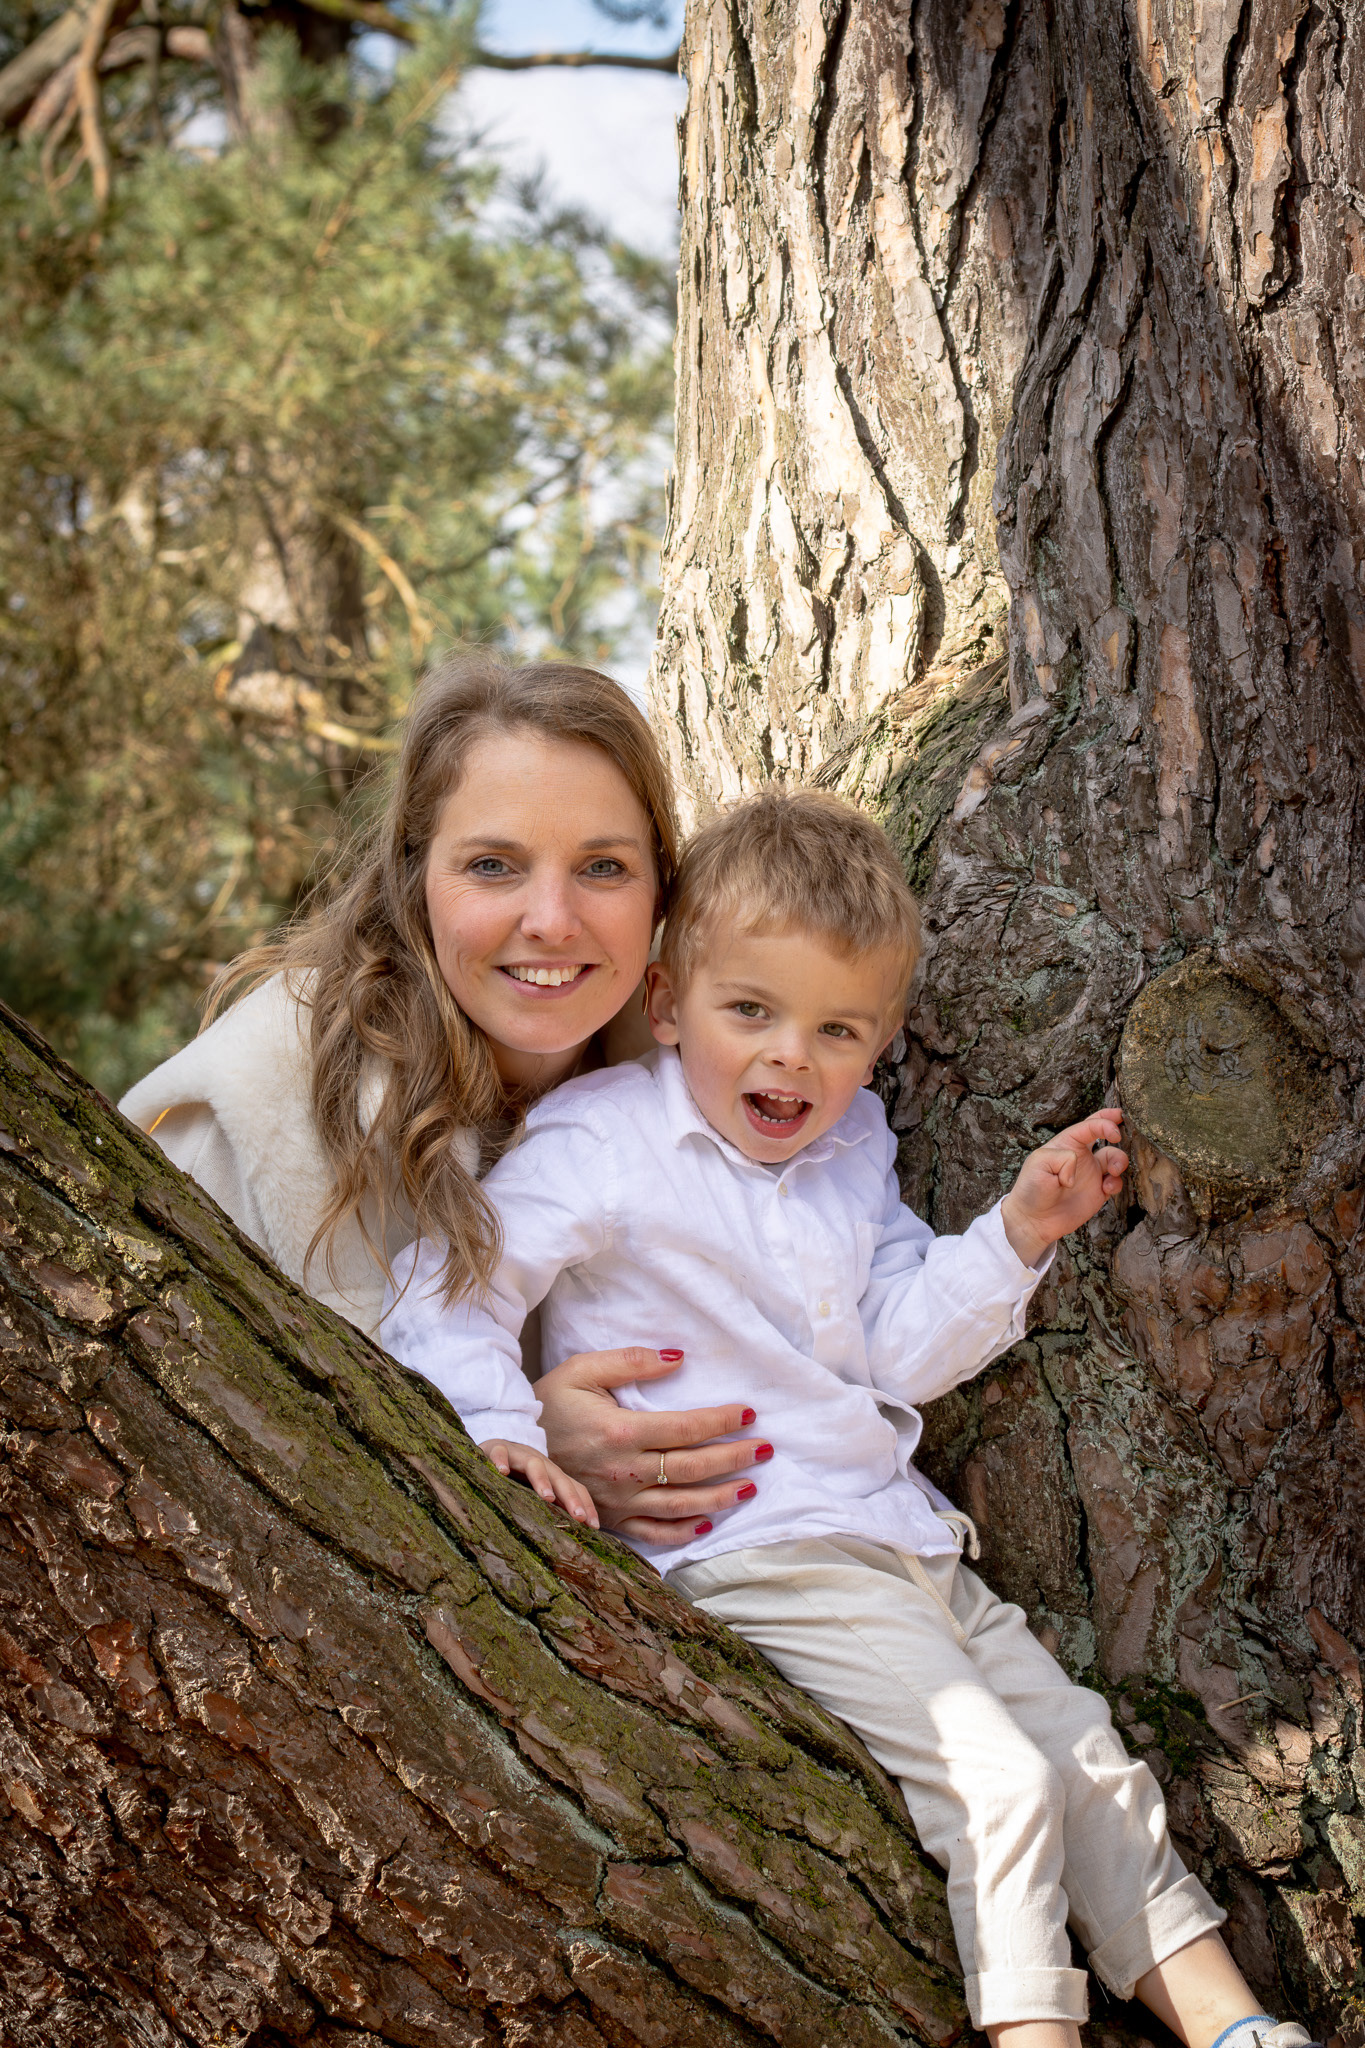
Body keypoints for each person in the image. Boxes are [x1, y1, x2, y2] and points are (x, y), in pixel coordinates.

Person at [382, 788, 1315, 2048]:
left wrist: (1016, 1234)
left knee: (1084, 1754)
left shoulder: (853, 1145)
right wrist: (503, 1423)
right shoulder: (600, 1138)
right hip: (764, 1546)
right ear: (666, 1004)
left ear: (878, 1045)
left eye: (837, 1029)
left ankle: (1234, 2026)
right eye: (750, 1010)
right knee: (994, 1779)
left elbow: (891, 1347)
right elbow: (453, 1284)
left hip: (901, 1536)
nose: (791, 1057)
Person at [120, 655, 768, 1535]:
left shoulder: (702, 1101)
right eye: (494, 865)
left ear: (661, 885)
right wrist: (516, 1432)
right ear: (414, 878)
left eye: (604, 867)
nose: (550, 918)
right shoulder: (255, 1110)